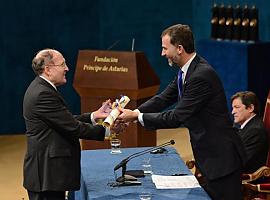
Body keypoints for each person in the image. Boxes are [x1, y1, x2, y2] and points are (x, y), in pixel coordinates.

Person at [118, 24, 246, 200]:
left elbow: (177, 116)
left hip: (221, 160)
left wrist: (137, 117)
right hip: (209, 157)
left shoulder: (201, 75)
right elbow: (163, 99)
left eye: (165, 48)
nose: (162, 53)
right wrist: (133, 113)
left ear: (179, 48)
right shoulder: (186, 72)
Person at [23, 49, 119, 200]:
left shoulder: (42, 88)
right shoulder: (43, 93)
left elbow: (62, 120)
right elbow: (72, 127)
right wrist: (107, 130)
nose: (67, 68)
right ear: (48, 69)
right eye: (63, 64)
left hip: (49, 175)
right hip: (46, 176)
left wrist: (94, 116)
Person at [231, 91, 268, 173]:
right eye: (233, 108)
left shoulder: (255, 131)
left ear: (251, 108)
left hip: (245, 180)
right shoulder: (247, 128)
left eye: (237, 107)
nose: (233, 112)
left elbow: (239, 162)